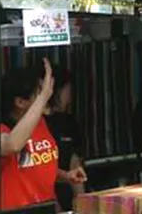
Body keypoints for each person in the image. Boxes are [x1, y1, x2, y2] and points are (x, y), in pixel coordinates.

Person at [0, 59, 85, 211]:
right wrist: (43, 98)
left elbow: (35, 167)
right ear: (20, 102)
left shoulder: (40, 123)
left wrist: (66, 176)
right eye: (39, 93)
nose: (47, 98)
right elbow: (12, 145)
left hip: (45, 207)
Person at [45, 66, 86, 212]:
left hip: (67, 193)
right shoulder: (36, 124)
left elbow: (75, 161)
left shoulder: (68, 122)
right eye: (67, 91)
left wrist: (81, 199)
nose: (69, 97)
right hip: (44, 197)